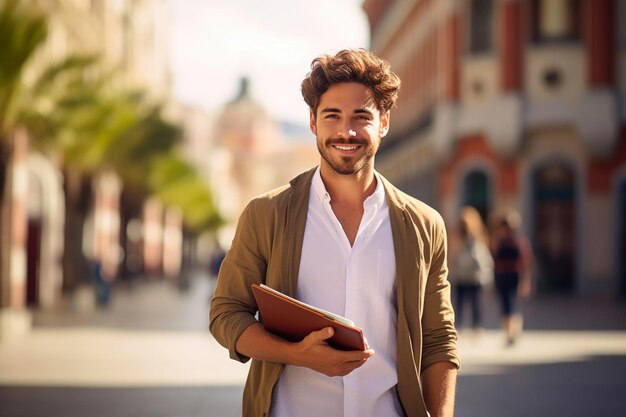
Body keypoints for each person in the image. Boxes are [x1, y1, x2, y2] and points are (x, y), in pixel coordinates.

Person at [209, 49, 459, 417]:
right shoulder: (266, 214)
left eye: (361, 117)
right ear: (312, 122)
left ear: (384, 122)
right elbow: (226, 314)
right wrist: (296, 354)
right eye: (332, 116)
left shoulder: (424, 225)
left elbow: (438, 340)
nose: (346, 131)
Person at [490, 207, 533, 347]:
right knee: (506, 304)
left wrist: (526, 279)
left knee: (512, 303)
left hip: (512, 274)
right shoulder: (500, 240)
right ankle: (509, 332)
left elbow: (526, 260)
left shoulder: (518, 241)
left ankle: (512, 332)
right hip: (503, 275)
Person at [449, 206, 493, 333]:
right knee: (473, 301)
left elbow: (453, 254)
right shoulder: (478, 234)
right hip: (473, 275)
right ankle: (474, 326)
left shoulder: (459, 235)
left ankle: (465, 325)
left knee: (464, 302)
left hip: (466, 275)